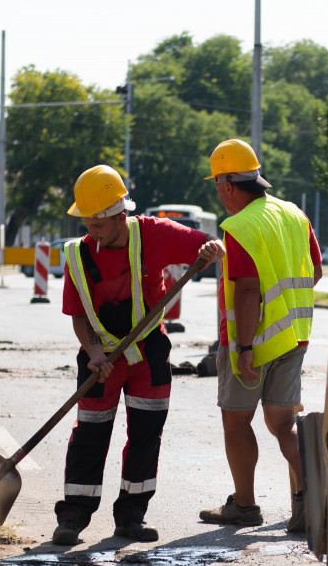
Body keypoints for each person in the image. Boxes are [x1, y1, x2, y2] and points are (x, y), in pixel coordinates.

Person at [53, 164, 223, 546]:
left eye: (97, 224)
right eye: (87, 223)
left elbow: (209, 243)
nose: (90, 232)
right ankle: (74, 516)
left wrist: (212, 248)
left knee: (147, 433)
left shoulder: (154, 234)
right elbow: (79, 315)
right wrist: (93, 353)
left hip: (149, 353)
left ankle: (131, 516)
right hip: (100, 358)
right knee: (90, 434)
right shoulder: (78, 255)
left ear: (120, 214)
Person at [198, 139, 321, 532]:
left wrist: (246, 347)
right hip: (294, 335)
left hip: (252, 342)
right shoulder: (295, 215)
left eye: (218, 186)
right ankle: (314, 497)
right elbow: (314, 272)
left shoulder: (240, 227)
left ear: (229, 185)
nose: (220, 194)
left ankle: (245, 506)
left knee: (237, 422)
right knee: (285, 423)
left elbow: (248, 289)